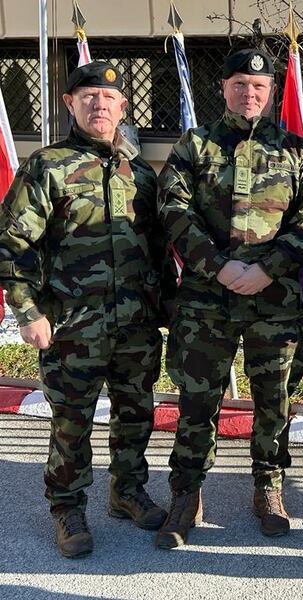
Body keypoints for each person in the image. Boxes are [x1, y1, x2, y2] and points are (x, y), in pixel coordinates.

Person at [155, 48, 303, 548]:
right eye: (239, 84)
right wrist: (219, 266)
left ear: (270, 92)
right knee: (197, 399)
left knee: (274, 399)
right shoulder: (195, 145)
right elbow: (174, 209)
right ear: (224, 88)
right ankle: (186, 493)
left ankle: (268, 487)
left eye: (258, 86)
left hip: (273, 297)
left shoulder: (294, 151)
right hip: (206, 300)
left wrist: (267, 268)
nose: (248, 93)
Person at [0, 62, 174, 558]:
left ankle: (127, 492)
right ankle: (67, 507)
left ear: (123, 107)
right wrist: (27, 311)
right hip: (72, 327)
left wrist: (169, 309)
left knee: (135, 414)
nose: (100, 105)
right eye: (89, 96)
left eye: (108, 98)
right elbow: (13, 243)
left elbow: (159, 249)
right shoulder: (47, 166)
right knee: (71, 422)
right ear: (70, 104)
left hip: (136, 324)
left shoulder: (140, 173)